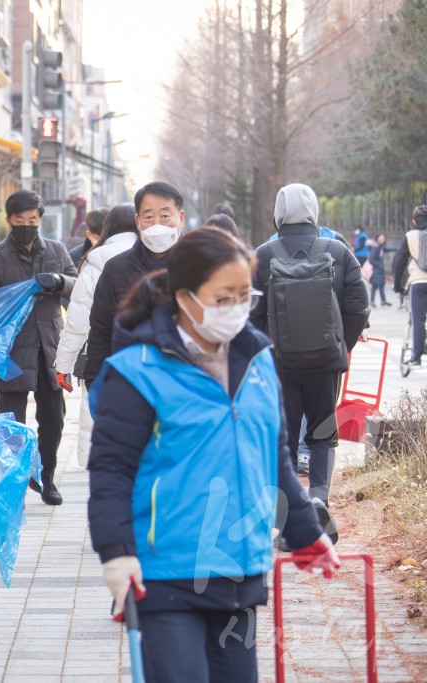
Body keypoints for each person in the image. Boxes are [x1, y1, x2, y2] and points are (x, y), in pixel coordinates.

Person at [88, 227, 340, 683]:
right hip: (165, 572)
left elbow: (273, 458)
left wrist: (304, 531)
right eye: (223, 297)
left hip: (239, 571)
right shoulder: (136, 372)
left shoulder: (259, 360)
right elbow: (110, 473)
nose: (237, 308)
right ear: (184, 297)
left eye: (245, 294)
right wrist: (116, 552)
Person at [250, 183, 369, 522]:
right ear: (314, 211)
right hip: (325, 365)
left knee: (283, 441)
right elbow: (359, 308)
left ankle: (289, 520)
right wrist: (339, 345)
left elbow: (248, 315)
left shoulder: (262, 256)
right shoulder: (339, 251)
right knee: (321, 436)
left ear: (278, 214)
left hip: (280, 366)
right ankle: (319, 500)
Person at [0, 189, 78, 505]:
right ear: (9, 221)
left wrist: (59, 281)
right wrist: (17, 294)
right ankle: (17, 482)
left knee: (53, 419)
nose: (27, 225)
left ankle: (46, 477)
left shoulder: (57, 251)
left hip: (50, 349)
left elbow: (78, 290)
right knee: (11, 423)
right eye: (20, 220)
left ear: (40, 220)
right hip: (11, 353)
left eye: (32, 220)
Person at [82, 181, 187, 388]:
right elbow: (101, 332)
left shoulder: (201, 266)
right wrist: (96, 384)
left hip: (186, 386)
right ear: (138, 222)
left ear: (180, 219)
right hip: (132, 384)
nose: (157, 224)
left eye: (165, 216)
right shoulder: (117, 269)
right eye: (149, 217)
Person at [55, 204, 137, 464]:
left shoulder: (96, 260)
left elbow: (78, 319)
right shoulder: (154, 255)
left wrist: (63, 365)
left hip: (102, 354)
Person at [393, 205, 427, 368]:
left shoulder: (411, 236)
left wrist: (398, 286)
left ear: (414, 221)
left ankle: (416, 358)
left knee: (418, 319)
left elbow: (399, 262)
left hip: (418, 282)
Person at [366, 234, 391, 308]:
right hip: (376, 270)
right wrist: (380, 265)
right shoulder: (376, 247)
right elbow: (371, 259)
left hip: (378, 270)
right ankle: (372, 301)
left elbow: (388, 249)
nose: (383, 239)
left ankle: (382, 301)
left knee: (380, 286)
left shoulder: (380, 246)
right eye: (381, 238)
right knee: (375, 286)